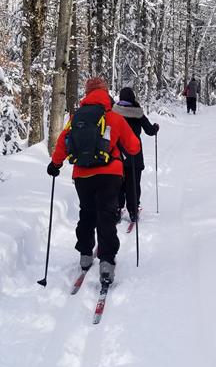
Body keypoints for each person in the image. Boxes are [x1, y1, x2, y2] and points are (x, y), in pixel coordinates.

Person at [47, 76, 140, 285]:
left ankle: (85, 255)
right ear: (106, 93)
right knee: (106, 216)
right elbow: (133, 146)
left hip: (83, 175)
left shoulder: (76, 117)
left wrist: (55, 164)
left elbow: (62, 142)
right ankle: (106, 263)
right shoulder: (113, 117)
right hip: (110, 175)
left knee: (87, 214)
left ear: (87, 94)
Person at [112, 87, 159, 224]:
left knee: (119, 183)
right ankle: (133, 210)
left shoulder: (114, 112)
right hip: (134, 153)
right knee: (133, 183)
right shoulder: (138, 113)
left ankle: (117, 209)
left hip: (118, 154)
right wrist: (155, 128)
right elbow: (150, 131)